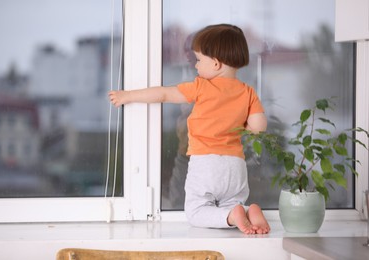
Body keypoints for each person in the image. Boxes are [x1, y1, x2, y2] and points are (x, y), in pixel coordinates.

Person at [108, 24, 270, 234]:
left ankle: (233, 216)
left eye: (199, 60)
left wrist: (128, 96)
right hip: (235, 165)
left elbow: (164, 94)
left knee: (196, 211)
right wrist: (244, 124)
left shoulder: (202, 86)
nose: (196, 66)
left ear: (216, 63)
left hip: (206, 163)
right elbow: (259, 127)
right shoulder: (247, 92)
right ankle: (249, 212)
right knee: (232, 202)